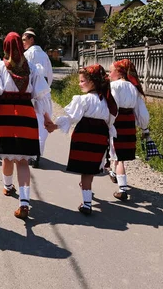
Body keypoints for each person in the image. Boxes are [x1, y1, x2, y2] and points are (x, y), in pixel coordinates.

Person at [0, 32, 52, 219]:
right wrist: (46, 119)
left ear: (5, 47)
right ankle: (25, 202)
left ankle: (8, 186)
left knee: (6, 157)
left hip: (5, 117)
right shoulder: (33, 69)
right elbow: (41, 96)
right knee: (22, 160)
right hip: (26, 116)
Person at [46, 65, 117, 216]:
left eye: (82, 81)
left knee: (85, 171)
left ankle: (87, 203)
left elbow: (71, 118)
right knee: (90, 170)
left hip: (84, 137)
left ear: (92, 82)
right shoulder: (107, 101)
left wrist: (54, 126)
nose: (79, 84)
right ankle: (87, 193)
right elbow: (110, 123)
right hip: (100, 138)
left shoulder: (83, 100)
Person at [108, 59, 149, 201]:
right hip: (129, 122)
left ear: (119, 72)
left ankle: (122, 189)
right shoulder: (133, 88)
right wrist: (145, 128)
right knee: (119, 152)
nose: (109, 74)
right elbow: (141, 111)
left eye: (111, 71)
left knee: (119, 157)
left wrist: (107, 123)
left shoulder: (114, 86)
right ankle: (113, 173)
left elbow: (112, 108)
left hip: (117, 121)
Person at [22, 28, 54, 169]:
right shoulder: (45, 55)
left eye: (24, 39)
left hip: (31, 91)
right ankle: (37, 153)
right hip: (44, 91)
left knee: (31, 122)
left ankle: (32, 153)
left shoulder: (27, 54)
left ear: (31, 39)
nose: (23, 42)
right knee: (42, 123)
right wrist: (46, 88)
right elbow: (50, 74)